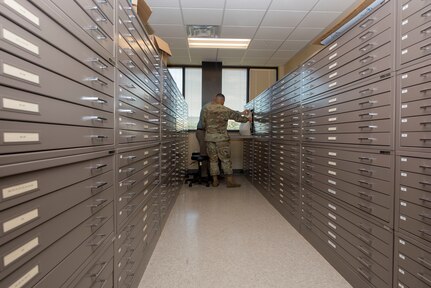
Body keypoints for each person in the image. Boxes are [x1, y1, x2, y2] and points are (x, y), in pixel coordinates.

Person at [202, 93, 251, 188]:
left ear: (215, 99)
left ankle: (215, 181)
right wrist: (248, 119)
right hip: (222, 139)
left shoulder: (206, 109)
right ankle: (230, 181)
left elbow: (203, 124)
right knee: (225, 160)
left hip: (209, 138)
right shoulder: (225, 109)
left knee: (213, 160)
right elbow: (238, 117)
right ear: (223, 101)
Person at [195, 99, 213, 178]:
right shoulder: (207, 107)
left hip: (206, 132)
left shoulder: (212, 107)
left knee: (211, 152)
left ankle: (211, 173)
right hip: (202, 132)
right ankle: (204, 173)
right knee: (204, 152)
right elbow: (205, 124)